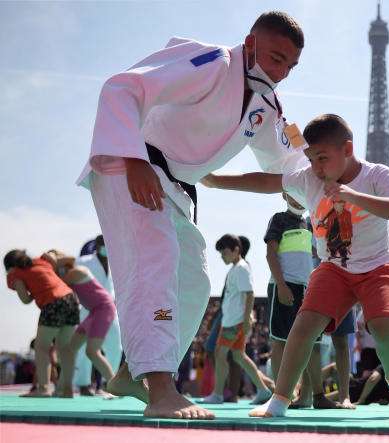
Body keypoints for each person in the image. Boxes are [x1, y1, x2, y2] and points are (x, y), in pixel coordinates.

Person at [75, 11, 306, 419]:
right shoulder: (213, 62)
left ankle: (130, 372)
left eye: (291, 65)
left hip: (176, 187)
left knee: (194, 282)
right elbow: (123, 87)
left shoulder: (267, 107)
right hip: (131, 165)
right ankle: (161, 387)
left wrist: (317, 185)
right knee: (156, 260)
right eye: (276, 58)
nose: (282, 72)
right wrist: (134, 159)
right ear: (251, 43)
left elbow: (288, 166)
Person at [203, 113, 389, 417]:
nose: (316, 168)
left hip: (378, 266)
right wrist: (217, 181)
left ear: (347, 149)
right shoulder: (308, 178)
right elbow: (266, 182)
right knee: (303, 327)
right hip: (334, 268)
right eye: (310, 159)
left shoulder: (376, 174)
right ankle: (279, 400)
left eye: (322, 159)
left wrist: (352, 195)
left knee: (384, 326)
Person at [264, 193, 344, 409]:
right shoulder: (278, 219)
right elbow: (270, 254)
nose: (297, 198)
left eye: (301, 192)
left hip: (308, 288)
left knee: (313, 344)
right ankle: (280, 396)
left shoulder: (311, 223)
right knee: (280, 342)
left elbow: (320, 253)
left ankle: (315, 396)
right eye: (292, 193)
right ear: (284, 194)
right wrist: (281, 285)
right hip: (284, 286)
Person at [203, 234, 272, 405]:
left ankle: (217, 394)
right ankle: (263, 390)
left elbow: (249, 294)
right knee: (239, 356)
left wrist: (247, 320)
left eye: (225, 252)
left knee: (220, 354)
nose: (222, 256)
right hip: (231, 321)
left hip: (235, 322)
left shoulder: (241, 268)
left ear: (236, 250)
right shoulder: (236, 268)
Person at [4, 250, 79, 397]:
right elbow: (67, 260)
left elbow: (25, 299)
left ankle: (43, 388)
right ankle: (67, 389)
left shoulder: (15, 274)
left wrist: (34, 291)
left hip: (53, 303)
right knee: (65, 348)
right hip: (71, 299)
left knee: (41, 347)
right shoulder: (42, 261)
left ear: (9, 267)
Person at [46, 250, 118, 399]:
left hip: (104, 309)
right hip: (94, 312)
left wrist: (49, 263)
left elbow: (56, 285)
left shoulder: (77, 271)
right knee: (70, 350)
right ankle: (61, 388)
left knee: (92, 351)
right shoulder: (71, 273)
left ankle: (116, 387)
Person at [74, 235, 122, 396]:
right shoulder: (83, 261)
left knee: (115, 346)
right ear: (97, 245)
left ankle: (110, 384)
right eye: (103, 244)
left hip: (109, 310)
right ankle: (83, 384)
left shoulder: (116, 262)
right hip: (88, 308)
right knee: (83, 348)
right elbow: (74, 282)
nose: (106, 247)